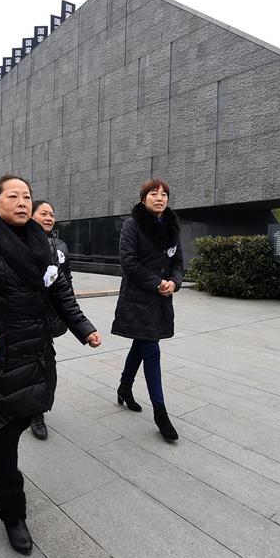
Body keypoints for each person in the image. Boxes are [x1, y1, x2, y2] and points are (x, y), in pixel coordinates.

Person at [0, 175, 101, 555]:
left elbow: (61, 292)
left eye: (26, 196)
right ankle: (14, 515)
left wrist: (84, 328)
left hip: (39, 350)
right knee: (9, 431)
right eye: (13, 196)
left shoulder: (44, 244)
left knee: (24, 417)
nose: (22, 202)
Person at [111, 178, 184, 442]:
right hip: (138, 299)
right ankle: (160, 413)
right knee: (151, 349)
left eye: (164, 193)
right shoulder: (132, 225)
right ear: (144, 199)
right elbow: (128, 262)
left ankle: (124, 387)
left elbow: (178, 262)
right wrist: (156, 283)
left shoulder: (172, 226)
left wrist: (174, 282)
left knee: (140, 346)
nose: (160, 197)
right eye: (154, 193)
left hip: (162, 299)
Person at [26, 200, 73, 440]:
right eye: (43, 213)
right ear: (31, 215)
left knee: (46, 365)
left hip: (49, 317)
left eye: (52, 214)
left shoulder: (61, 245)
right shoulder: (20, 242)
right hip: (24, 317)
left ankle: (37, 410)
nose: (49, 217)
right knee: (30, 366)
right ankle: (31, 410)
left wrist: (70, 315)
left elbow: (67, 280)